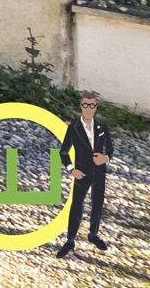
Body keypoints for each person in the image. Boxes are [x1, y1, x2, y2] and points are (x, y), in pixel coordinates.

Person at [57, 90, 115, 257]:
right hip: (82, 172)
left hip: (99, 172)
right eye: (85, 105)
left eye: (91, 105)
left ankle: (93, 235)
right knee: (76, 205)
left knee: (97, 203)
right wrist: (72, 169)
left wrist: (105, 159)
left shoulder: (102, 127)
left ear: (95, 107)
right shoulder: (73, 128)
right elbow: (64, 152)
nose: (88, 108)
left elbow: (110, 149)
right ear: (81, 106)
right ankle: (70, 240)